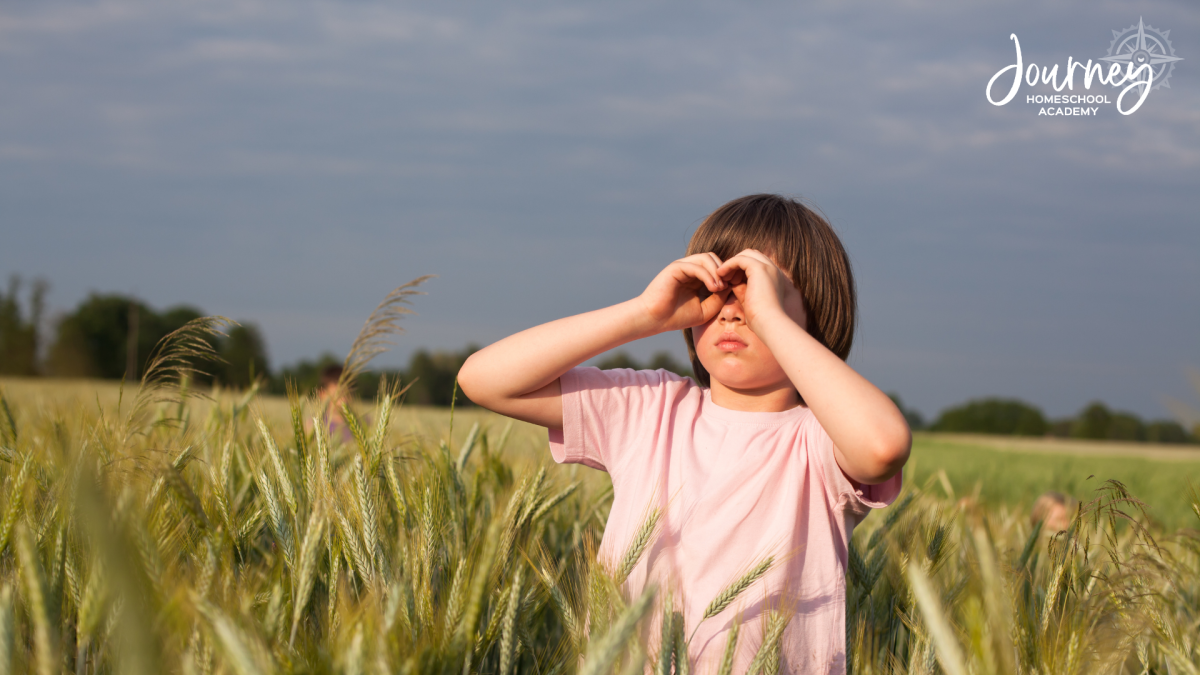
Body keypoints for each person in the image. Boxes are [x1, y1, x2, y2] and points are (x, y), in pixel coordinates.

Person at [457, 194, 911, 673]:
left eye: (760, 292)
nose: (734, 311)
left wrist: (771, 320)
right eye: (720, 289)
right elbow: (482, 379)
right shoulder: (650, 408)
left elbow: (882, 446)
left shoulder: (818, 442)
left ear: (812, 316)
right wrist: (644, 314)